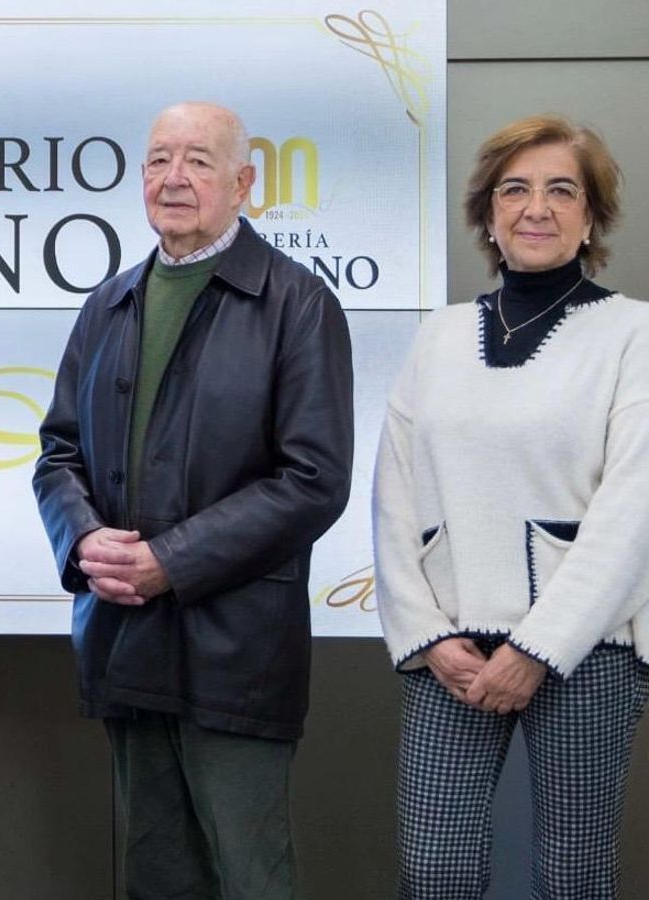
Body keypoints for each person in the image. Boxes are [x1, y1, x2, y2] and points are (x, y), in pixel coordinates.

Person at [33, 101, 354, 899]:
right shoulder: (107, 303)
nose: (174, 178)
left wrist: (169, 563)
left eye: (200, 161)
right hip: (124, 640)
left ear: (244, 182)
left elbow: (314, 479)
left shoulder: (299, 305)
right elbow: (58, 453)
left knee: (250, 878)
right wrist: (82, 543)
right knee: (156, 877)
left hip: (237, 654)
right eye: (158, 159)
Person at [375, 115, 649, 898]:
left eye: (562, 190)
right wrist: (426, 635)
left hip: (585, 652)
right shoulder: (439, 336)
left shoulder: (635, 335)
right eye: (515, 189)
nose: (537, 207)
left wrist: (537, 649)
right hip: (451, 657)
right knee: (436, 871)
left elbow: (634, 513)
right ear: (489, 214)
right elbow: (393, 496)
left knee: (572, 877)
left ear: (590, 216)